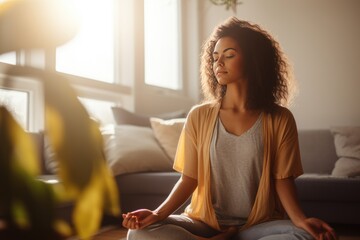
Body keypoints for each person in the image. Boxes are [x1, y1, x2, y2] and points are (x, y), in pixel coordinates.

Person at [122, 17, 337, 240]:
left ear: (253, 60)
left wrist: (301, 220)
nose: (218, 63)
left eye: (229, 55)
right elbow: (189, 179)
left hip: (258, 225)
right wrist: (157, 214)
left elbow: (282, 180)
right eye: (215, 58)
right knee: (139, 233)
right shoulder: (199, 116)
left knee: (307, 236)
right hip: (203, 223)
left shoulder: (280, 119)